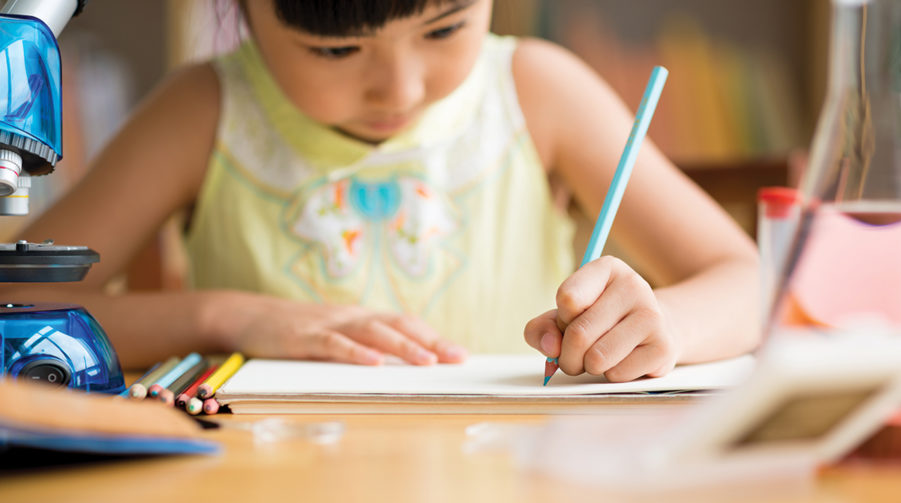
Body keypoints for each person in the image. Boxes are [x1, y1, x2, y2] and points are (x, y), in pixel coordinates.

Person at [4, 0, 759, 382]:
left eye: (443, 30)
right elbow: (13, 310)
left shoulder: (539, 90)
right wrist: (224, 317)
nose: (398, 86)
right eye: (334, 48)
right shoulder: (203, 110)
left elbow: (753, 280)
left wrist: (665, 326)